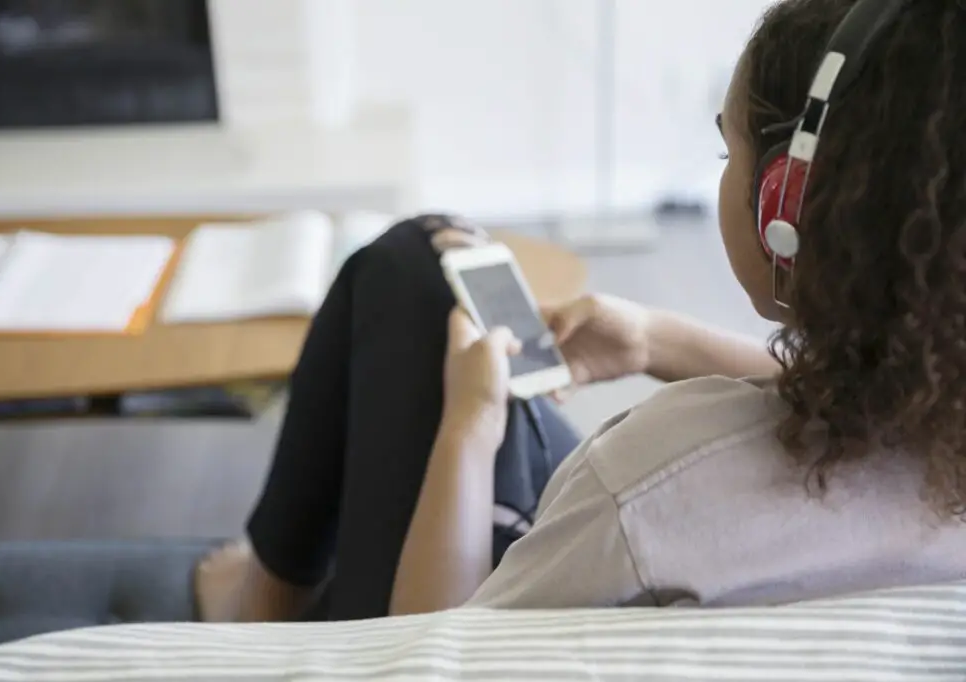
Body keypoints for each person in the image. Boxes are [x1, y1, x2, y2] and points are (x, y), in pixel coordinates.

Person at [197, 0, 966, 620]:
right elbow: (869, 390)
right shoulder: (937, 419)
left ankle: (265, 607)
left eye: (726, 150)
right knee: (425, 265)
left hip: (457, 626)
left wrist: (470, 429)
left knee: (405, 271)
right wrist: (654, 340)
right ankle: (270, 588)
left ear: (783, 208)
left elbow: (431, 658)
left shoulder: (656, 480)